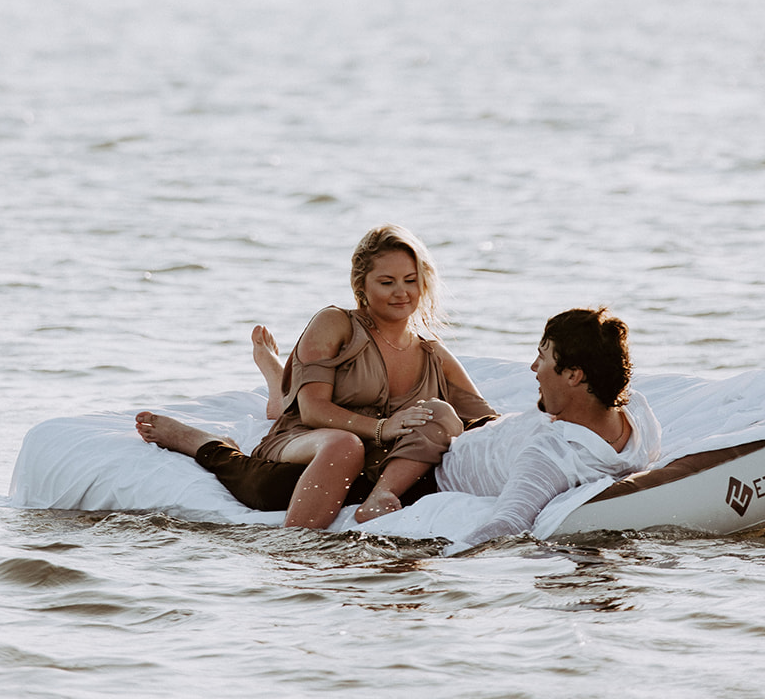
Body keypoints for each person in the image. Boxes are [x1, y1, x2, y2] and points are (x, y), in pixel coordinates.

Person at [135, 226, 497, 529]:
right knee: (340, 446)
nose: (401, 292)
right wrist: (383, 427)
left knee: (440, 412)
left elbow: (488, 420)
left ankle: (282, 392)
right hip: (308, 439)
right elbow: (311, 411)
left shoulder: (433, 354)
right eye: (386, 282)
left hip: (374, 471)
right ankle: (204, 441)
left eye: (410, 280)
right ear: (362, 287)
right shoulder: (336, 323)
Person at [435, 307, 661, 542]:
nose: (533, 367)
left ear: (573, 376)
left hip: (440, 467)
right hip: (459, 445)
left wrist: (443, 560)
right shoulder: (637, 409)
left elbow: (508, 523)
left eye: (542, 357)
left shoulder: (550, 454)